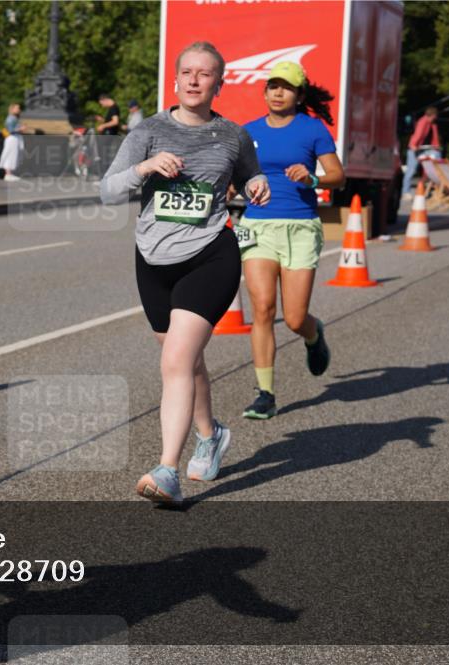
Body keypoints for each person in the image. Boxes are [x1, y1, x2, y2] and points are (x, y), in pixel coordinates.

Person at [100, 41, 269, 504]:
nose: (195, 80)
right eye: (188, 72)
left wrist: (256, 184)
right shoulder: (148, 131)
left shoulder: (234, 136)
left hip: (211, 254)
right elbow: (107, 190)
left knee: (174, 361)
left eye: (206, 73)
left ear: (220, 81)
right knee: (187, 361)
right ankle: (211, 434)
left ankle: (166, 470)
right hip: (153, 259)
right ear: (175, 80)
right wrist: (145, 167)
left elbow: (251, 175)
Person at [235, 61, 343, 420]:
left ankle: (314, 335)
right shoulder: (247, 131)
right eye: (273, 86)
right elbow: (235, 179)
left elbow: (338, 176)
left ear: (299, 94)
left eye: (286, 87)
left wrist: (312, 179)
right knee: (263, 308)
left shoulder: (313, 129)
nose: (278, 93)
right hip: (258, 225)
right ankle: (265, 393)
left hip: (300, 226)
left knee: (295, 318)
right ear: (264, 91)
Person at [402, 106, 440, 196]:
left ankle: (431, 182)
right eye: (435, 117)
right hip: (415, 149)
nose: (435, 119)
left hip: (423, 149)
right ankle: (405, 191)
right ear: (432, 115)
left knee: (436, 156)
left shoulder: (432, 124)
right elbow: (417, 135)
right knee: (411, 170)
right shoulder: (422, 122)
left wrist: (436, 146)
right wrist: (413, 145)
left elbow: (435, 138)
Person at [0, 102, 26, 181]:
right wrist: (20, 129)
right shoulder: (11, 118)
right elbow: (10, 130)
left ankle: (9, 173)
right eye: (17, 108)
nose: (19, 110)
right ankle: (8, 174)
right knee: (10, 155)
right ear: (12, 109)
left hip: (14, 138)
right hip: (12, 138)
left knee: (13, 155)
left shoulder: (14, 118)